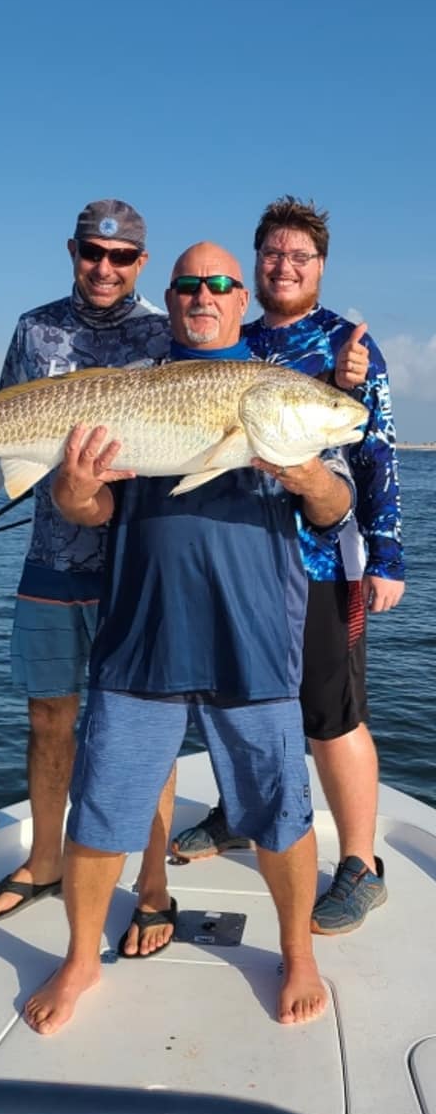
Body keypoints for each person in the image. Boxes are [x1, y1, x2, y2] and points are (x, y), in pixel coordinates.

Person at [24, 240, 356, 1037]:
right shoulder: (132, 386)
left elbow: (337, 504)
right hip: (142, 628)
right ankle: (78, 957)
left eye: (218, 284)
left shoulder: (277, 390)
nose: (202, 295)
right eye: (187, 286)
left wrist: (307, 472)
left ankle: (298, 954)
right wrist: (73, 492)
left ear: (242, 300)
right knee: (102, 806)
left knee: (280, 805)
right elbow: (96, 513)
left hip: (252, 636)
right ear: (170, 301)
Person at [0, 199, 171, 922]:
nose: (105, 267)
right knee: (49, 718)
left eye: (121, 257)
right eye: (94, 251)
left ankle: (152, 879)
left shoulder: (162, 334)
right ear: (72, 249)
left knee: (142, 726)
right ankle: (46, 859)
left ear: (141, 263)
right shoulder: (35, 328)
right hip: (49, 558)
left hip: (134, 563)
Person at [171, 197, 404, 937]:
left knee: (331, 715)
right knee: (233, 693)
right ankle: (241, 813)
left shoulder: (348, 344)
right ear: (255, 266)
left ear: (321, 267)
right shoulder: (231, 338)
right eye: (273, 254)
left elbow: (375, 451)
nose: (285, 266)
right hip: (237, 556)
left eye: (300, 256)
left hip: (318, 558)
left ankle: (362, 865)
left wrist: (388, 555)